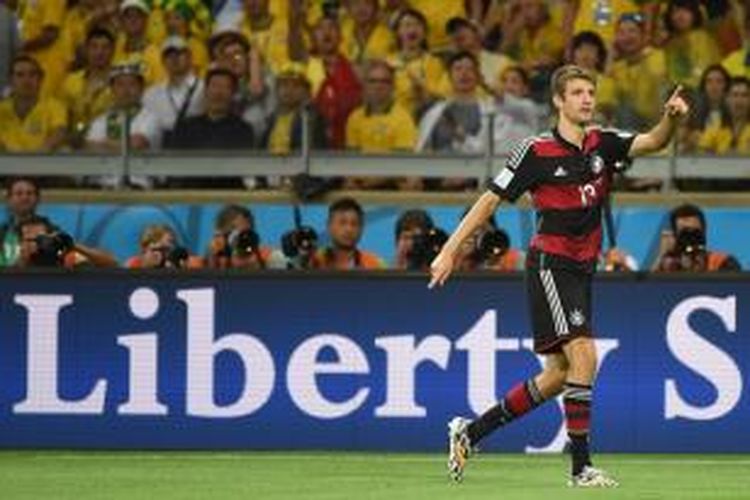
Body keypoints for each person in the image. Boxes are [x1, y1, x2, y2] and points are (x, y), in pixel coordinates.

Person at [429, 64, 689, 487]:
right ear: (558, 101)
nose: (587, 98)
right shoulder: (535, 151)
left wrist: (671, 118)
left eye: (590, 91)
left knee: (556, 376)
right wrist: (449, 250)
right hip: (552, 264)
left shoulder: (603, 143)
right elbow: (489, 200)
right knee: (585, 355)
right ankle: (581, 468)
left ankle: (470, 432)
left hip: (582, 270)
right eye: (578, 93)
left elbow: (655, 141)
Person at [143, 36, 204, 145]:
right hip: (163, 149)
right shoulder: (150, 94)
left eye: (180, 53)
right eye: (169, 55)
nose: (174, 58)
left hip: (197, 146)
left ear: (190, 58)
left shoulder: (204, 88)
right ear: (162, 61)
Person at [0, 55, 67, 153]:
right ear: (11, 80)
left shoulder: (54, 106)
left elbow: (59, 133)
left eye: (32, 74)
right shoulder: (2, 109)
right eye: (20, 75)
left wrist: (37, 157)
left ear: (40, 80)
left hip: (42, 163)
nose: (26, 80)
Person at [653, 203, 741, 272]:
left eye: (694, 231)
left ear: (704, 231)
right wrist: (661, 255)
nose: (690, 237)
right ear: (675, 235)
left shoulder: (723, 262)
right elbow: (648, 291)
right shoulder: (668, 267)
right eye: (684, 232)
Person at [312, 197, 386, 270]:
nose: (349, 229)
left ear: (361, 229)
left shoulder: (375, 265)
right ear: (329, 226)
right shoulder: (314, 261)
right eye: (342, 223)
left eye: (354, 224)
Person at [0, 177, 40, 267]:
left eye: (29, 193)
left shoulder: (50, 231)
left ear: (37, 199)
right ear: (9, 199)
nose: (25, 197)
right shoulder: (2, 233)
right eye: (19, 194)